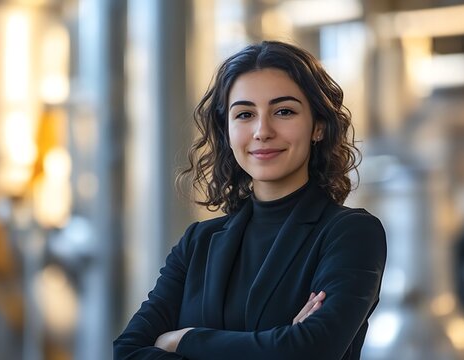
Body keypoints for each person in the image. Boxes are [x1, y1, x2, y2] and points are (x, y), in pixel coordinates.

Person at [113, 40, 386, 360]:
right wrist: (278, 342)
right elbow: (128, 351)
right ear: (226, 130)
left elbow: (310, 350)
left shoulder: (351, 234)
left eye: (283, 111)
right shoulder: (198, 243)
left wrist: (183, 340)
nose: (262, 130)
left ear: (319, 127)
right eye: (244, 114)